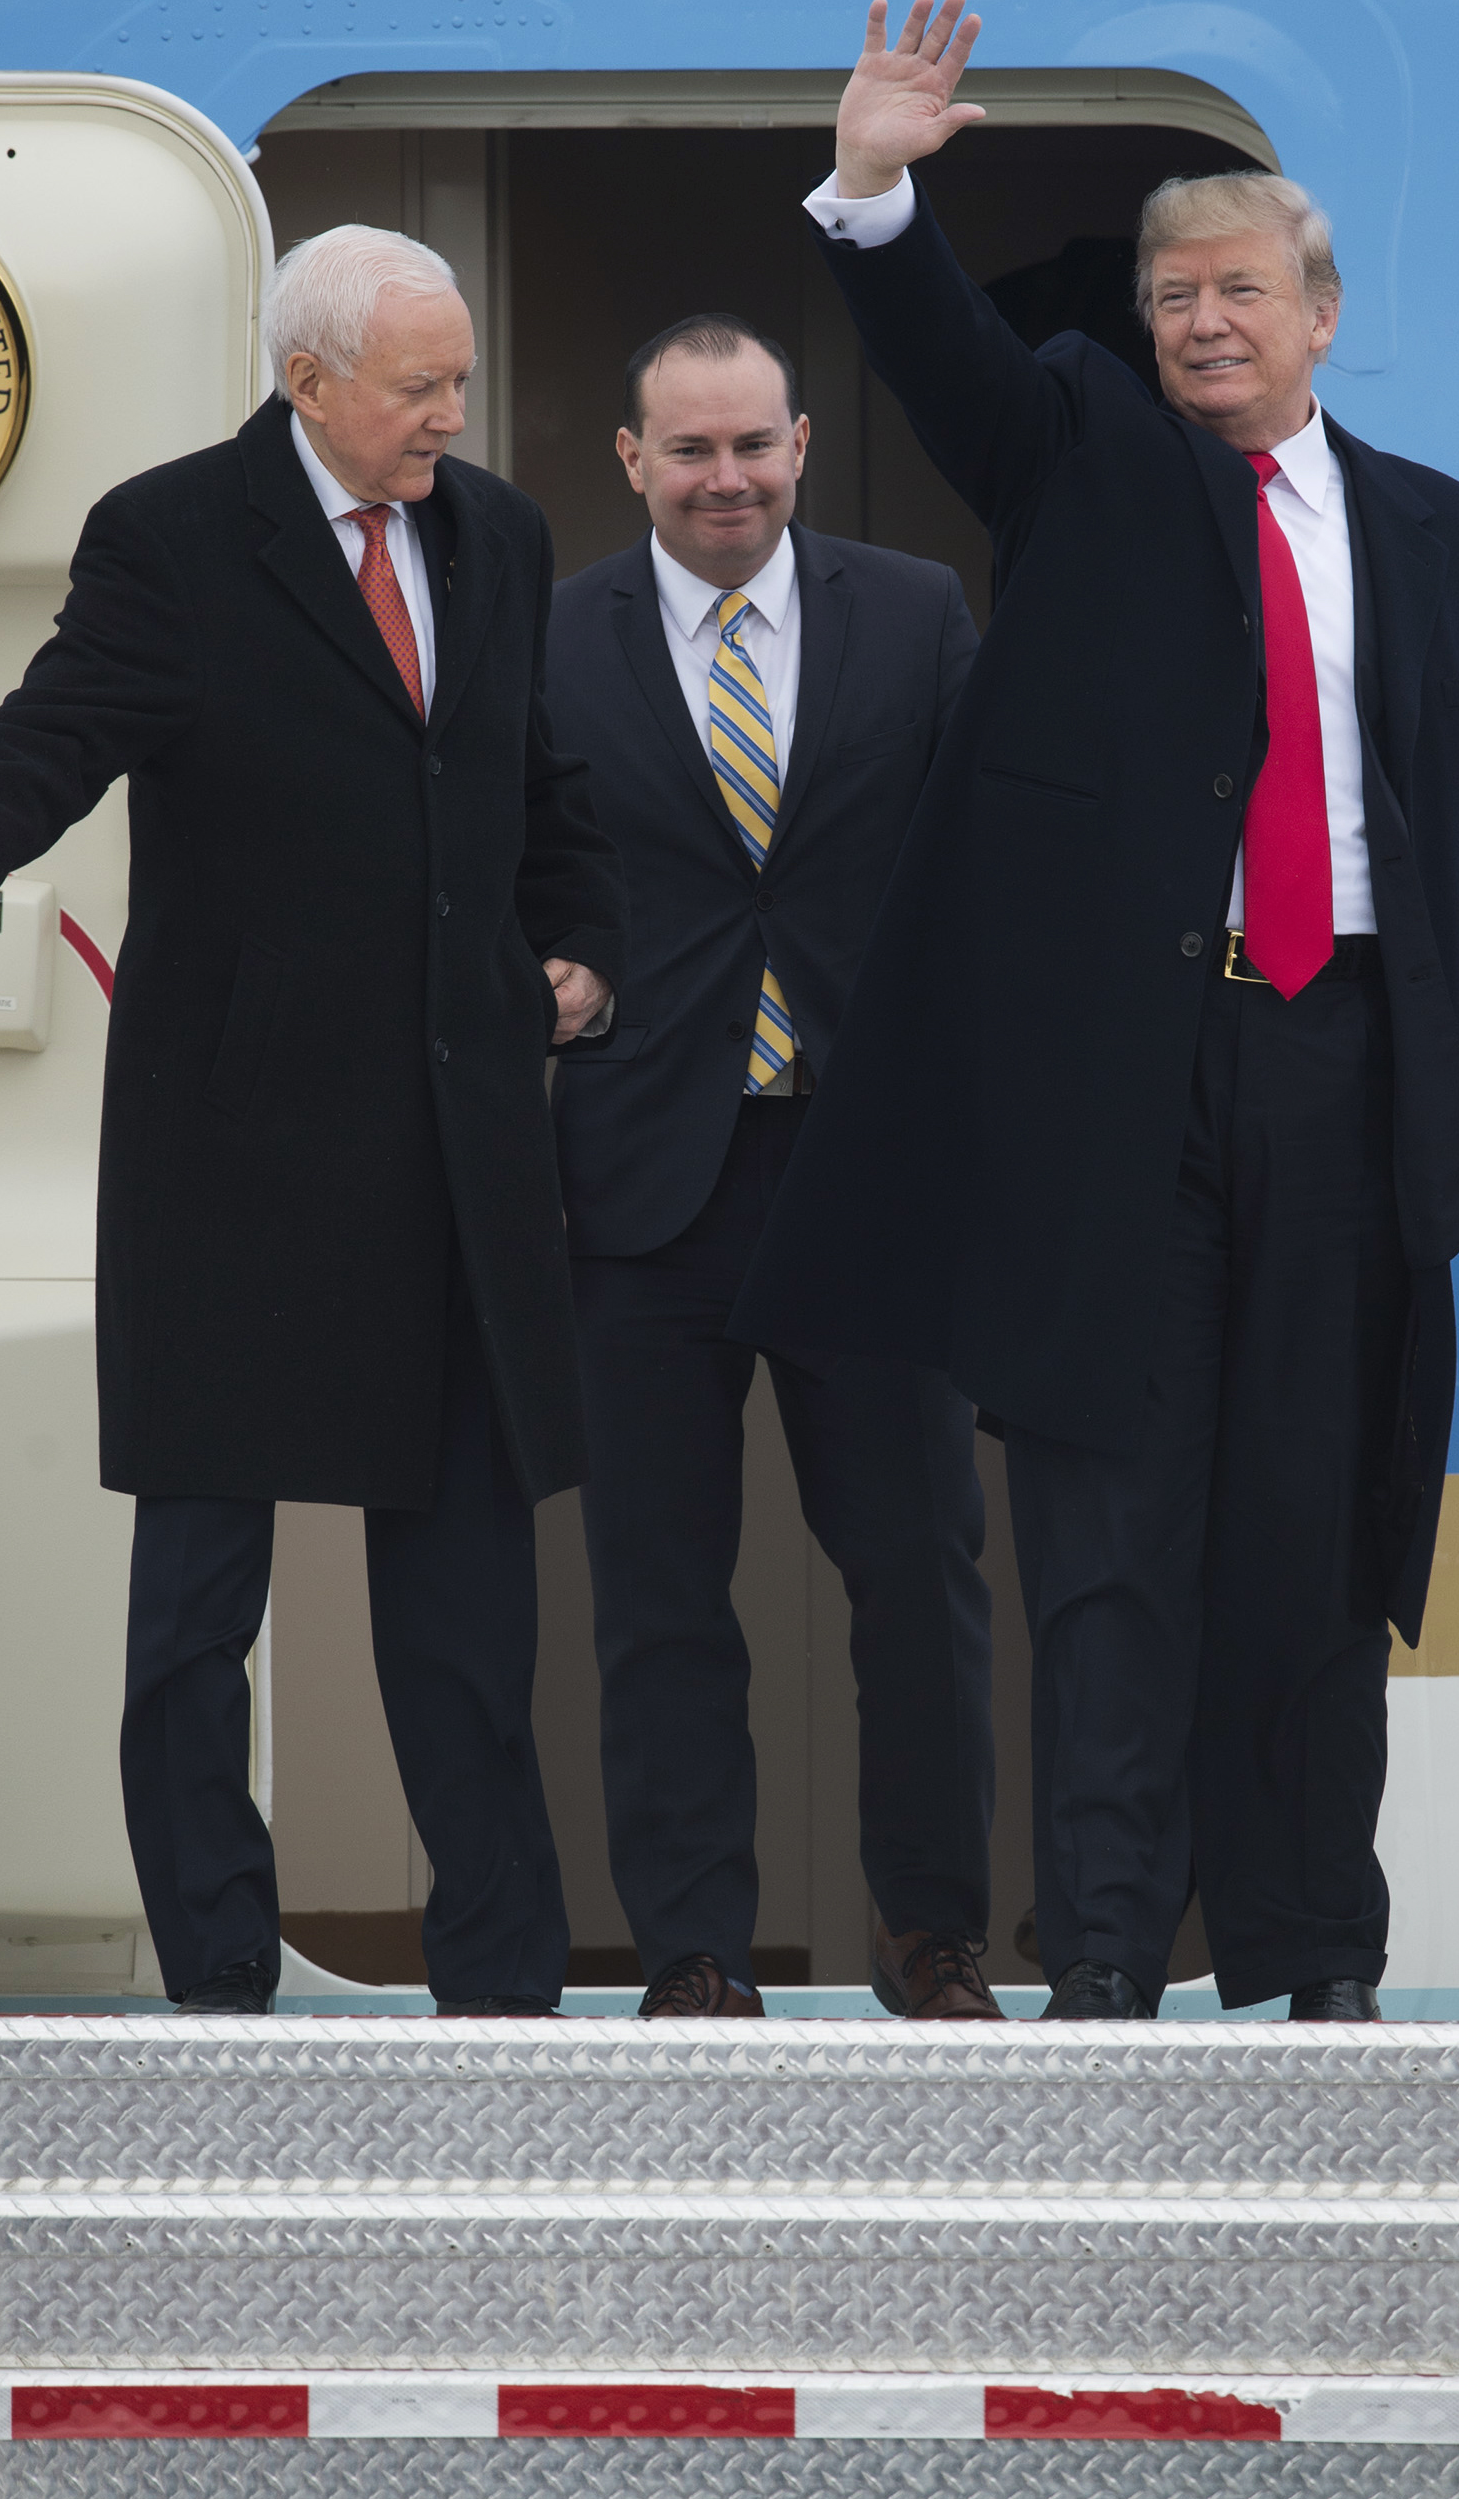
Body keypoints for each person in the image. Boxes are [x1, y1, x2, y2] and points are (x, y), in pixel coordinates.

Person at [731, 0, 1459, 2023]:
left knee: (1316, 1531)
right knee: (1109, 1535)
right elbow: (953, 371)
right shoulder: (1091, 450)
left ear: (1321, 312)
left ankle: (1312, 1954)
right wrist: (871, 187)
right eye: (1170, 293)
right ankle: (1104, 1953)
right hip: (1134, 1076)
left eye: (1238, 291)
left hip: (1350, 1064)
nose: (1201, 322)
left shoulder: (1450, 536)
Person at [0, 225, 627, 2017]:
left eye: (461, 380)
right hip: (239, 1148)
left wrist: (576, 950)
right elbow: (51, 730)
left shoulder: (492, 535)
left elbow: (535, 785)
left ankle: (502, 1993)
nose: (452, 414)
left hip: (454, 1154)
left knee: (471, 1619)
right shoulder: (176, 537)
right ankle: (216, 1991)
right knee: (197, 1617)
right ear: (308, 380)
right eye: (418, 387)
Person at [544, 313, 1000, 2020]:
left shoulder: (917, 613)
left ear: (800, 444)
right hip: (640, 1182)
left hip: (865, 1173)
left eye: (752, 446)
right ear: (632, 460)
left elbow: (986, 866)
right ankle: (692, 1950)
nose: (723, 478)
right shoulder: (550, 631)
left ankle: (933, 1939)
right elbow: (517, 869)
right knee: (660, 1593)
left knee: (918, 1578)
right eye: (688, 449)